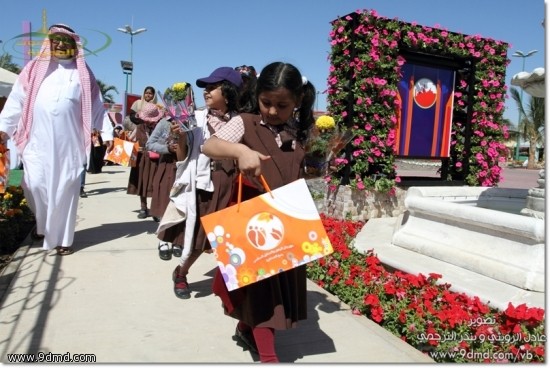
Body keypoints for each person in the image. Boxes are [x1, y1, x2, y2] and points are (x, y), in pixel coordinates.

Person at [201, 62, 316, 363]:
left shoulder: (299, 130)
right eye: (267, 103)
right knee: (263, 293)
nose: (273, 111)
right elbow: (209, 145)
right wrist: (240, 151)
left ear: (298, 101)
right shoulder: (245, 122)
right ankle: (268, 357)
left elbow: (302, 171)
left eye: (283, 105)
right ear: (257, 96)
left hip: (286, 219)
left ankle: (244, 328)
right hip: (253, 222)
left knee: (271, 291)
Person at [0, 23, 114, 255]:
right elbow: (15, 101)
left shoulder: (83, 73)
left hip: (69, 145)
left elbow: (97, 108)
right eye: (56, 39)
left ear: (74, 44)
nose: (61, 44)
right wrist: (4, 128)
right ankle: (43, 226)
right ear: (49, 42)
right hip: (35, 143)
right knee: (32, 185)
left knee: (66, 190)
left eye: (66, 40)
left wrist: (107, 132)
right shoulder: (33, 69)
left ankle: (63, 239)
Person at [162, 66, 243, 299]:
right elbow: (181, 156)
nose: (206, 92)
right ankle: (181, 272)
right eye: (205, 88)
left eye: (212, 87)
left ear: (228, 92)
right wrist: (179, 134)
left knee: (228, 239)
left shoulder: (240, 121)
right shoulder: (195, 118)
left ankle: (232, 286)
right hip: (204, 184)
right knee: (200, 237)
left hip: (231, 184)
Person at [146, 82, 195, 260]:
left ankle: (176, 239)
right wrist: (167, 147)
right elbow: (149, 144)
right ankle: (163, 240)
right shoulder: (163, 124)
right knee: (165, 201)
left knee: (180, 203)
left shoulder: (192, 122)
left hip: (186, 167)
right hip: (167, 166)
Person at [126, 86, 159, 219]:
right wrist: (135, 147)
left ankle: (156, 209)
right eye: (147, 93)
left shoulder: (159, 126)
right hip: (141, 158)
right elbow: (130, 139)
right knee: (142, 182)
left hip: (155, 158)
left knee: (155, 184)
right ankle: (143, 208)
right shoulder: (139, 125)